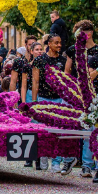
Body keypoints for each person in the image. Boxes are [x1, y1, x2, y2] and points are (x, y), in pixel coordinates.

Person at [30, 33, 73, 173]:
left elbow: (66, 80)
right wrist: (35, 101)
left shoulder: (63, 59)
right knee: (43, 131)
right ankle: (42, 155)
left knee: (58, 133)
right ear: (49, 44)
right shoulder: (40, 60)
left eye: (60, 42)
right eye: (56, 43)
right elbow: (35, 81)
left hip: (59, 99)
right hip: (43, 99)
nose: (59, 45)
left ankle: (56, 161)